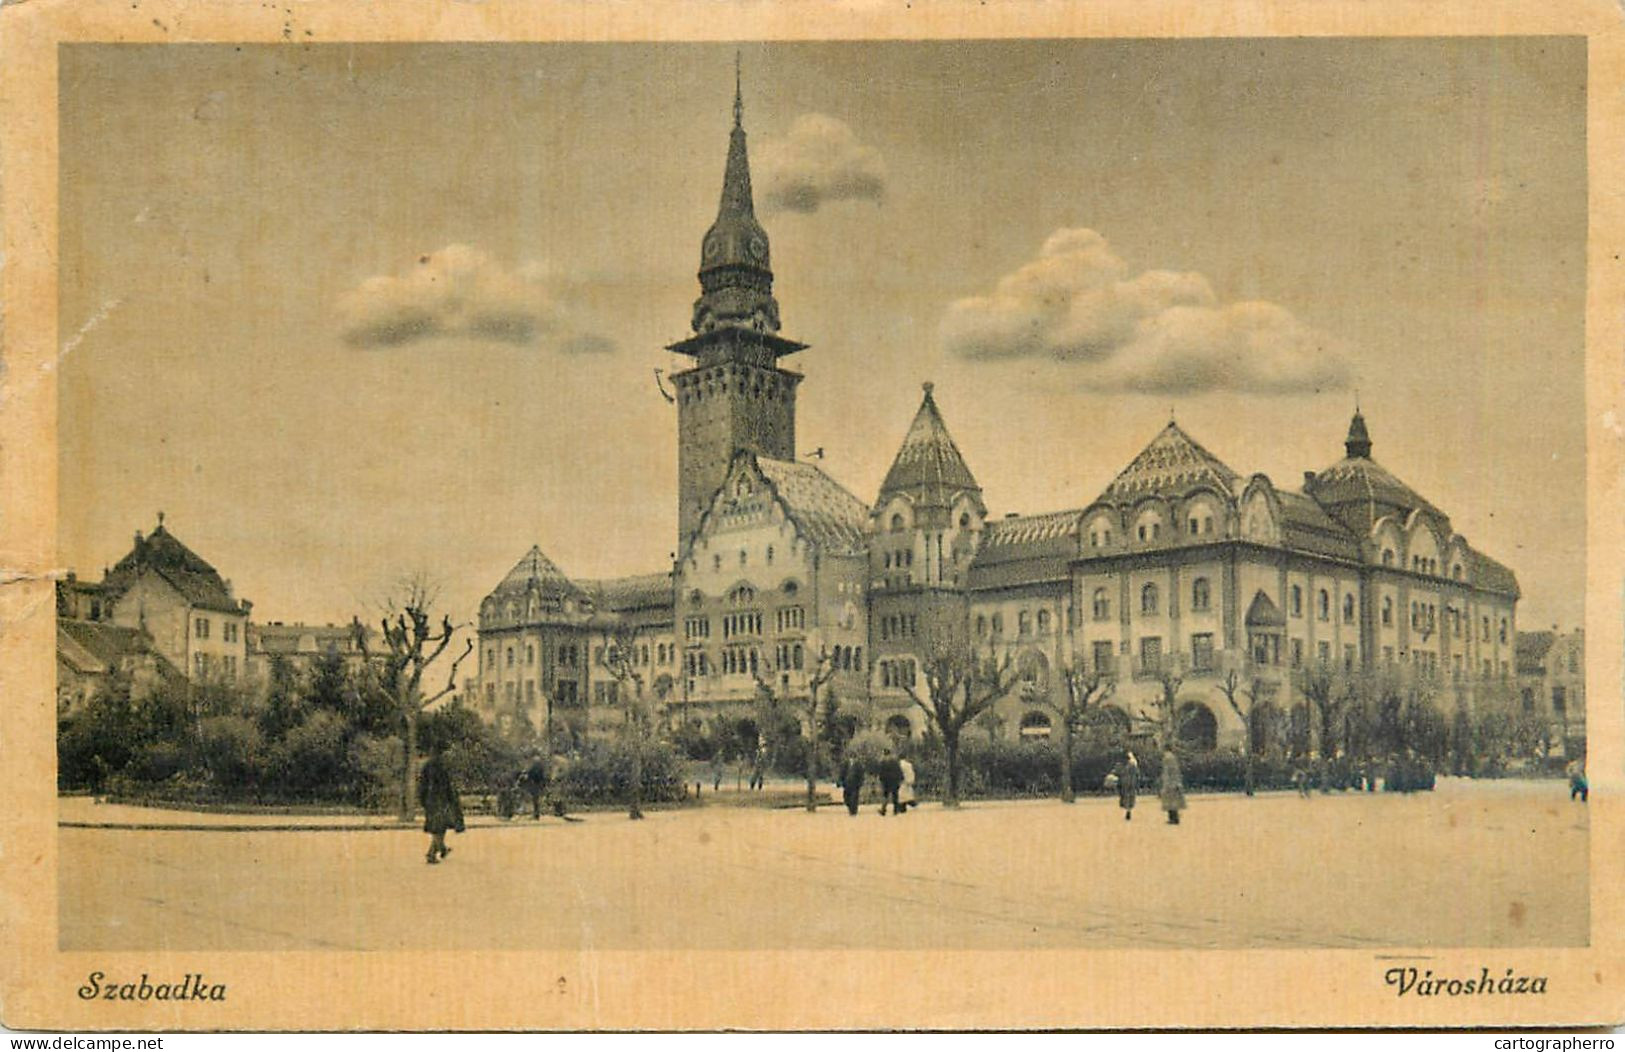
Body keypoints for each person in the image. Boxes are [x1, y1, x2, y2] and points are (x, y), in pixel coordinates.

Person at [418, 741, 464, 864]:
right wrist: (452, 799)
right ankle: (431, 854)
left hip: (430, 799)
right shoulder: (441, 765)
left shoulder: (427, 765)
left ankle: (442, 849)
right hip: (441, 800)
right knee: (440, 827)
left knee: (438, 827)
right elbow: (446, 785)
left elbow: (422, 784)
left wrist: (422, 799)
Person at [1159, 747, 1186, 825]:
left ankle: (1172, 818)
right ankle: (1175, 818)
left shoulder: (1167, 758)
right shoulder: (1173, 758)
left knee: (1170, 801)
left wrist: (1165, 783)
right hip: (1175, 782)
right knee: (1174, 801)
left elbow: (1166, 771)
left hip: (1170, 783)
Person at [520, 751, 550, 820]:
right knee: (535, 799)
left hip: (535, 783)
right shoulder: (539, 764)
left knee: (535, 799)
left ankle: (535, 814)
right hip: (537, 782)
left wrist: (527, 775)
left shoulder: (535, 764)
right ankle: (535, 814)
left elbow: (532, 772)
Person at [877, 748, 904, 816]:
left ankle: (883, 809)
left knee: (886, 795)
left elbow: (880, 772)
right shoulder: (894, 761)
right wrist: (901, 778)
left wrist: (881, 780)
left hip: (886, 781)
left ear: (884, 754)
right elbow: (898, 770)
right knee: (895, 795)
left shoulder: (882, 762)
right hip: (894, 781)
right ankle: (895, 810)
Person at [1116, 750, 1140, 821]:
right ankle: (1128, 810)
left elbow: (1120, 773)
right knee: (1129, 797)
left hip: (1126, 782)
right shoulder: (1133, 764)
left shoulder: (1125, 765)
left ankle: (1128, 811)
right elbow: (1137, 774)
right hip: (1131, 782)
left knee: (1127, 797)